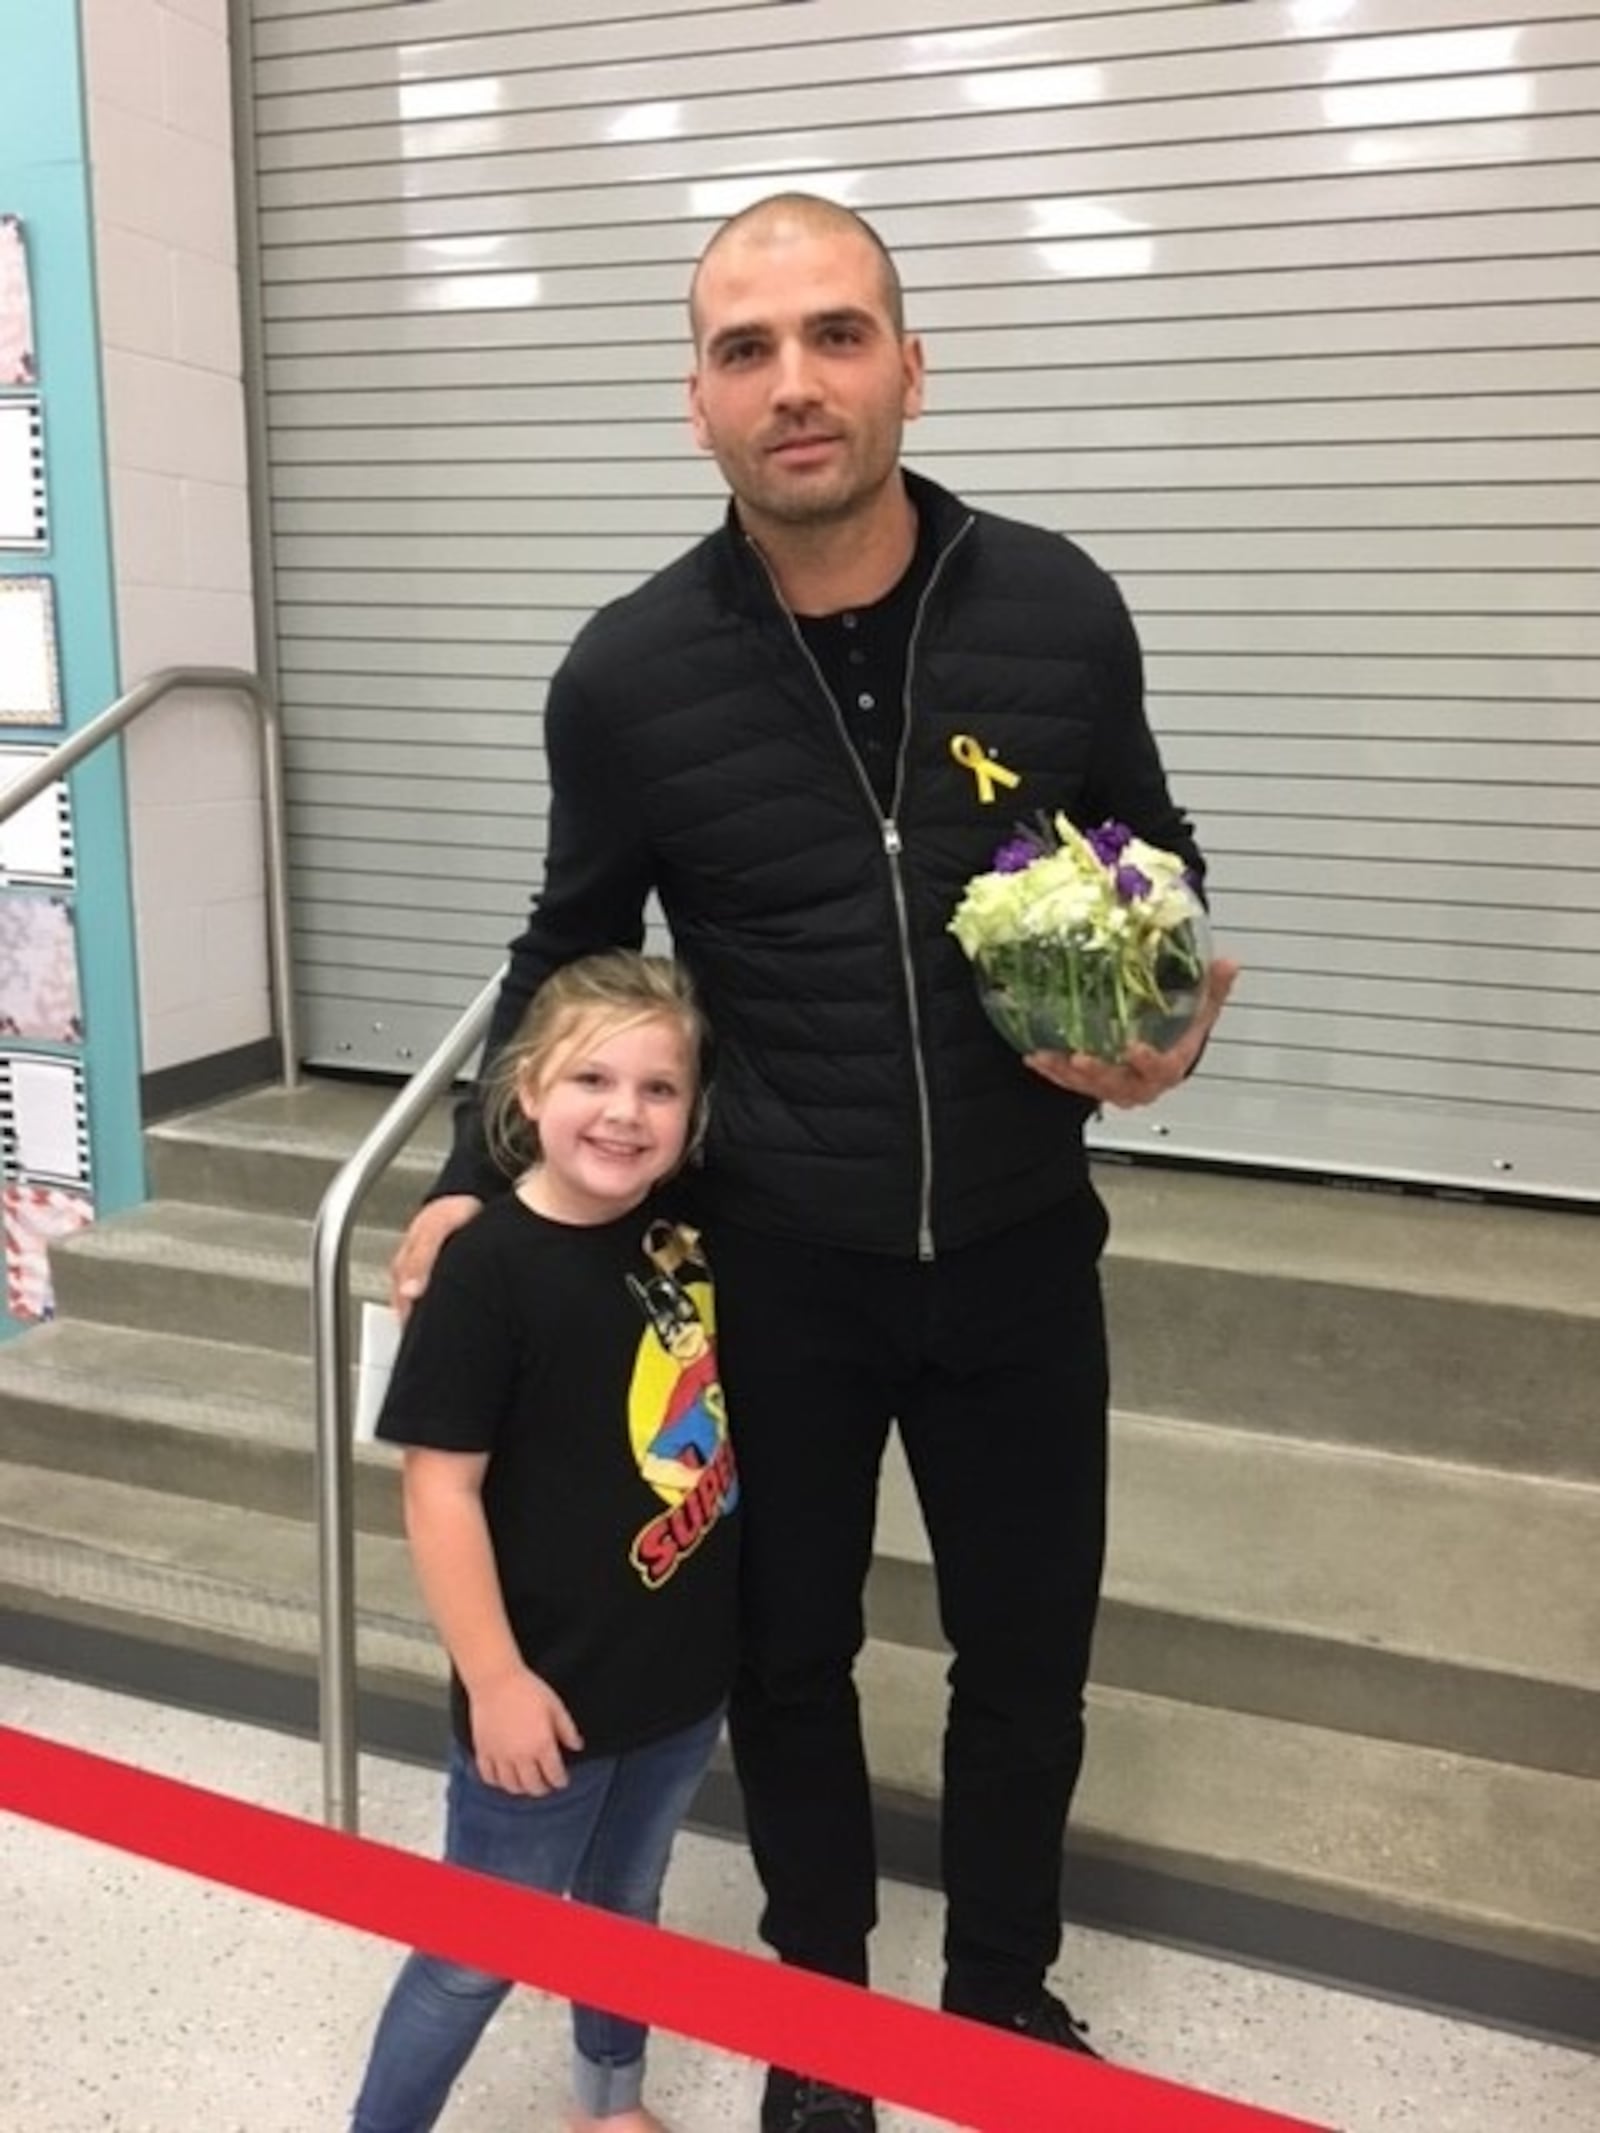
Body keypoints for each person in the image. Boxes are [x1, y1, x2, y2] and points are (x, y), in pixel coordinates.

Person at [391, 194, 1237, 2133]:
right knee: (786, 1658)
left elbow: (1148, 845)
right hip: (765, 1262)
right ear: (693, 401)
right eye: (745, 348)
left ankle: (999, 1992)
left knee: (1025, 1648)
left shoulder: (1052, 603)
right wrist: (467, 1161)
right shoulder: (625, 677)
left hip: (1021, 1243)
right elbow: (568, 937)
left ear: (905, 367)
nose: (794, 382)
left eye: (834, 335)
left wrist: (1169, 1008)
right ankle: (822, 2018)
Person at [352, 951, 738, 2133]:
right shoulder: (485, 1272)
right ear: (524, 1095)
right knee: (475, 1955)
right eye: (591, 1079)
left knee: (625, 1907)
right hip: (539, 1701)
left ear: (693, 1113)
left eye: (658, 1090)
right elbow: (439, 1496)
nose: (623, 1113)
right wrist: (496, 1680)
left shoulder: (683, 1236)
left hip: (675, 1680)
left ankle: (608, 2104)